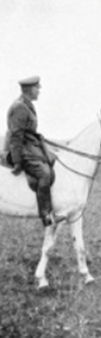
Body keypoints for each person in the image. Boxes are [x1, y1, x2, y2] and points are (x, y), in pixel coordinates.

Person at [4, 76, 55, 227]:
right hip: (22, 150)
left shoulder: (27, 105)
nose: (39, 90)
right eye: (37, 88)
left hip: (29, 147)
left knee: (51, 160)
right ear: (29, 89)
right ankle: (45, 213)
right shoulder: (20, 107)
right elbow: (16, 136)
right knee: (44, 173)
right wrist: (17, 161)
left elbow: (27, 132)